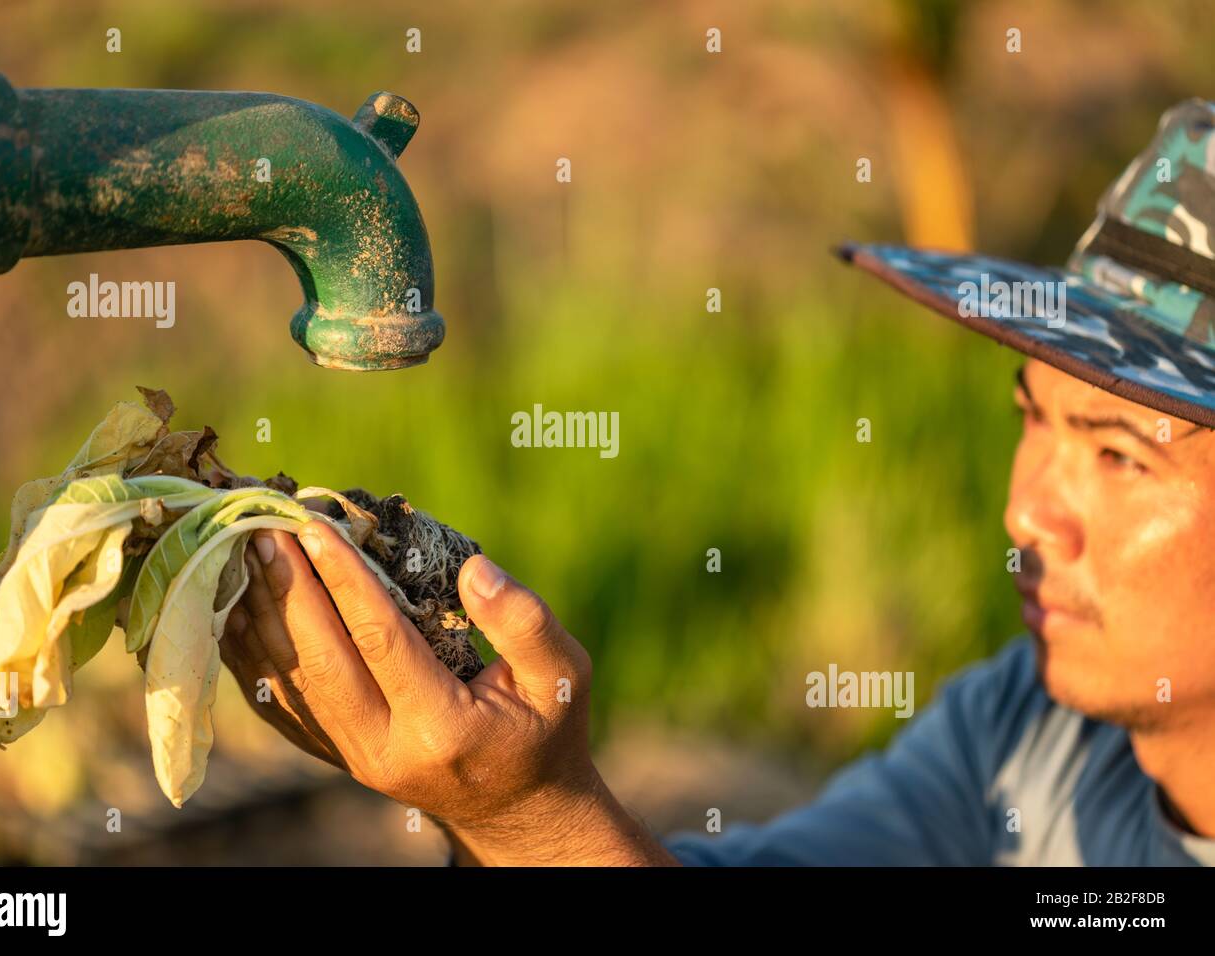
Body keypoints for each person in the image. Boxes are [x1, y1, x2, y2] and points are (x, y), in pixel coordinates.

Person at [219, 99, 1215, 866]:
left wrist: (529, 815)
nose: (1025, 509)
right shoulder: (1026, 732)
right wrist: (515, 811)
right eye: (1031, 417)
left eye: (1120, 453)